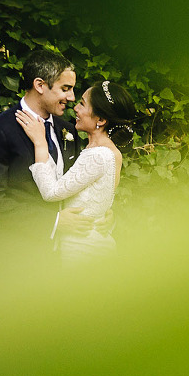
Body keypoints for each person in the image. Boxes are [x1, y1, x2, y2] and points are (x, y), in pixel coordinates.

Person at [0, 49, 94, 266]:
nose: (72, 98)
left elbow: (73, 185)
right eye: (65, 89)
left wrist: (100, 214)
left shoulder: (68, 130)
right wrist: (53, 222)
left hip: (64, 257)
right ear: (40, 85)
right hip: (15, 259)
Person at [15, 80, 135, 266]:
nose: (75, 108)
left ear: (101, 120)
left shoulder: (97, 155)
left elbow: (51, 192)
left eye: (82, 104)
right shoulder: (109, 152)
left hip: (82, 251)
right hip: (90, 244)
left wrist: (40, 142)